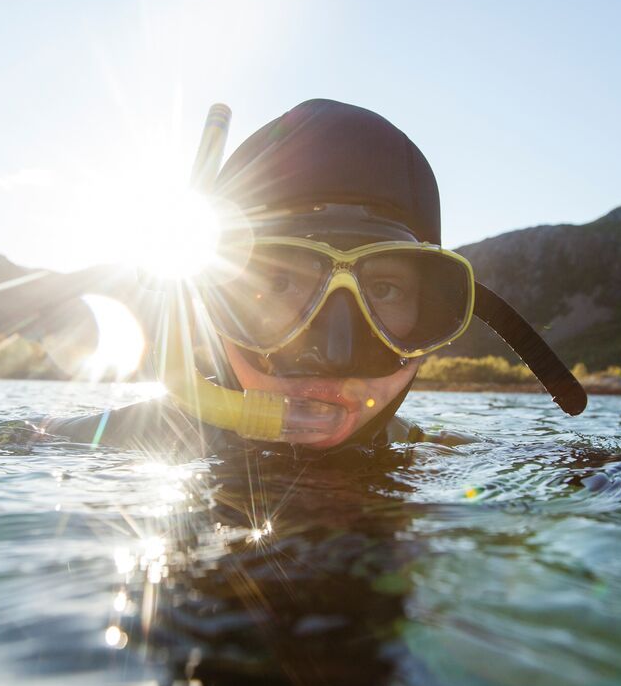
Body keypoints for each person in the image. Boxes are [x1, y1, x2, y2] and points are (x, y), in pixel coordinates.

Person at [45, 99, 584, 455]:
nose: (334, 349)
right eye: (279, 283)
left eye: (385, 289)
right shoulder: (86, 447)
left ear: (434, 313)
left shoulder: (452, 459)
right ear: (208, 305)